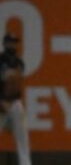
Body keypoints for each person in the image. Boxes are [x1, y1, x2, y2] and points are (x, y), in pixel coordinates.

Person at [0, 33, 31, 165]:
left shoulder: (19, 62)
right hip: (1, 102)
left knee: (23, 138)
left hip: (15, 103)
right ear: (5, 43)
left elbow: (15, 83)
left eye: (15, 42)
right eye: (11, 42)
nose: (14, 44)